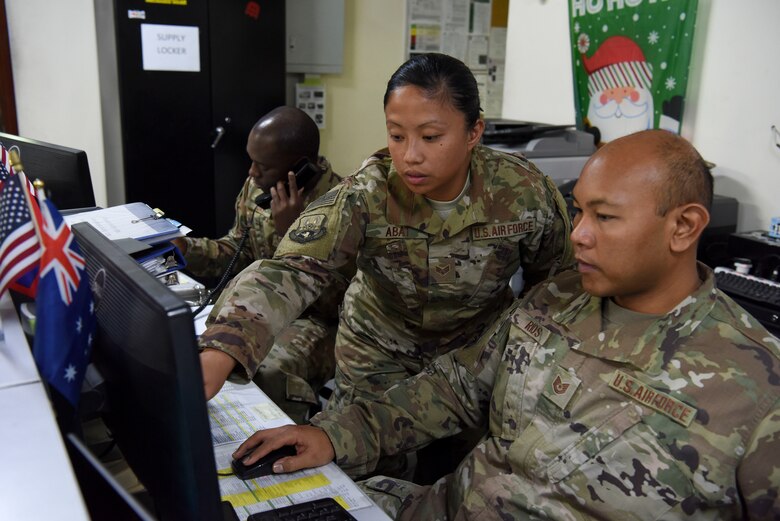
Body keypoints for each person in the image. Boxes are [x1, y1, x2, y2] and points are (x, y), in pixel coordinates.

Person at [233, 130, 780, 520]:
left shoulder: (757, 391)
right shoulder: (557, 300)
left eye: (604, 217)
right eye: (580, 212)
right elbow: (453, 389)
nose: (578, 236)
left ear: (684, 226)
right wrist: (331, 435)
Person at [198, 53, 573, 477]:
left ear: (474, 132)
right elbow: (292, 269)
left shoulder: (525, 193)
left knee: (457, 478)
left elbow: (554, 289)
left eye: (430, 137)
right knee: (363, 474)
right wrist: (220, 349)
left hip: (472, 364)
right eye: (397, 136)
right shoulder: (369, 192)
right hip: (378, 353)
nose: (410, 155)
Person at [175, 106, 343, 423]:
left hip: (317, 322)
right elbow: (236, 250)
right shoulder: (260, 187)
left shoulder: (340, 206)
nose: (251, 173)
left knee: (268, 371)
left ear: (300, 168)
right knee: (201, 347)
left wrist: (290, 235)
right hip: (260, 305)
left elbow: (340, 302)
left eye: (261, 166)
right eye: (251, 161)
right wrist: (184, 248)